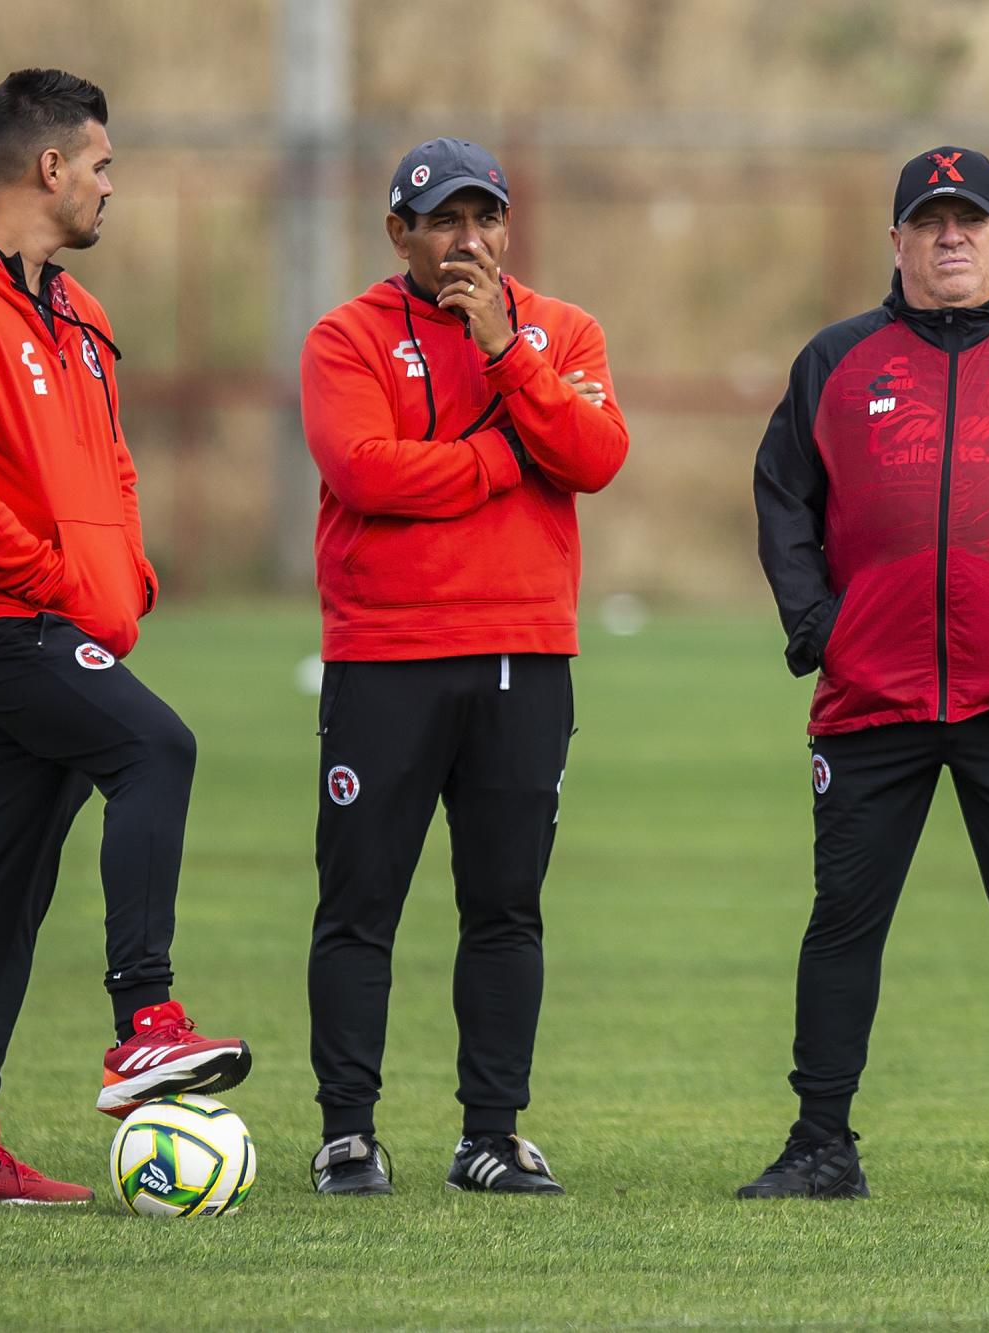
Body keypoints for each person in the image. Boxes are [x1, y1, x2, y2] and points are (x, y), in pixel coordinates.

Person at [0, 68, 249, 1207]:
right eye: (100, 166)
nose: (106, 187)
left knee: (6, 891)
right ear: (48, 168)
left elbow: (112, 464)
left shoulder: (77, 310)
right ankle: (144, 1022)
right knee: (155, 749)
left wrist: (121, 573)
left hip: (61, 617)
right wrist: (46, 574)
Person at [744, 147, 989, 1205]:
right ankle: (820, 1144)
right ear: (896, 243)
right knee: (842, 920)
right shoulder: (837, 360)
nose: (948, 237)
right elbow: (781, 495)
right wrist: (816, 626)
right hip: (870, 694)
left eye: (968, 220)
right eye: (928, 222)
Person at [299, 137, 629, 1197]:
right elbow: (364, 471)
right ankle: (347, 1131)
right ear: (399, 234)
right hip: (387, 656)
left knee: (504, 905)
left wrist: (504, 350)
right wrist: (498, 460)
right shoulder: (345, 337)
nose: (466, 240)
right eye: (442, 220)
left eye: (483, 217)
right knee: (359, 904)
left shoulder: (561, 330)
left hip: (523, 657)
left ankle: (490, 1132)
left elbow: (593, 455)